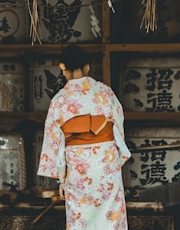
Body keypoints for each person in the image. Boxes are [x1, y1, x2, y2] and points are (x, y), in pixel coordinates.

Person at [38, 44, 131, 229]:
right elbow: (118, 126)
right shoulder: (105, 93)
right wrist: (115, 158)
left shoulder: (59, 100)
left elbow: (54, 141)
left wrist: (62, 178)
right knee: (110, 218)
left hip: (78, 166)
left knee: (80, 219)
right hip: (106, 163)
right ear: (87, 66)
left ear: (62, 67)